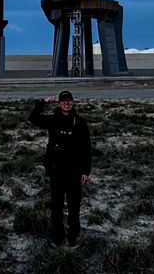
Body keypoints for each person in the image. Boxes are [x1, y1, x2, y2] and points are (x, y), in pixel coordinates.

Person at [29, 90, 91, 246]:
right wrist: (43, 102)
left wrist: (86, 171)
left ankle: (73, 237)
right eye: (63, 101)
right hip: (57, 170)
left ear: (73, 102)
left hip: (74, 171)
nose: (66, 103)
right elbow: (33, 118)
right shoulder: (53, 120)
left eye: (69, 100)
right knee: (56, 206)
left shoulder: (80, 122)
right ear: (59, 103)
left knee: (74, 206)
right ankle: (57, 237)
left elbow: (86, 147)